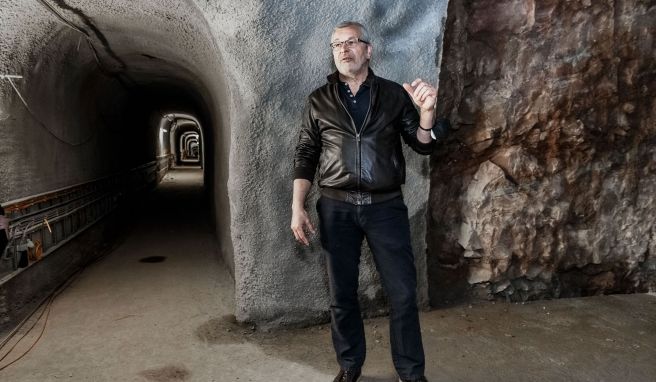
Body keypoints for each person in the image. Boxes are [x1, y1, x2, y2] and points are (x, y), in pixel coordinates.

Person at [291, 21, 449, 382]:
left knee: (404, 294)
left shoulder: (394, 95)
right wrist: (297, 206)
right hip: (336, 208)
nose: (344, 50)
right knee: (341, 295)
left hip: (385, 208)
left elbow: (422, 143)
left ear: (368, 50)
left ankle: (411, 373)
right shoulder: (318, 100)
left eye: (351, 42)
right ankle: (349, 366)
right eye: (337, 45)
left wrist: (426, 116)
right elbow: (305, 153)